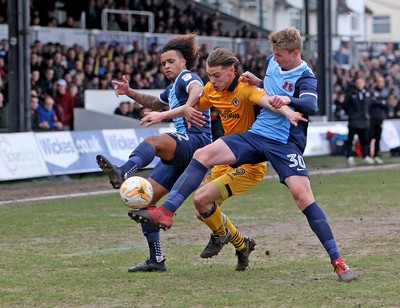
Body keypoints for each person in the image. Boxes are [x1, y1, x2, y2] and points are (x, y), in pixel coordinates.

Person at [130, 27, 357, 282]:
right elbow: (266, 91)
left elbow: (310, 103)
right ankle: (167, 211)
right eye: (273, 53)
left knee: (302, 197)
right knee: (203, 155)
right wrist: (260, 83)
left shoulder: (306, 76)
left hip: (284, 143)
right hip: (256, 135)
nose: (274, 58)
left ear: (295, 53)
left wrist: (287, 102)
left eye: (280, 54)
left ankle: (338, 262)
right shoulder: (271, 62)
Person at [138, 47, 305, 271]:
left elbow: (265, 100)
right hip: (225, 159)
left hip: (249, 165)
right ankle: (241, 244)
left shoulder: (246, 89)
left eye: (216, 75)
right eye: (209, 75)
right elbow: (191, 106)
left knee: (202, 199)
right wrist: (173, 111)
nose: (212, 81)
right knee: (201, 210)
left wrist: (288, 111)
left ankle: (218, 234)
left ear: (231, 72)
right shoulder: (211, 90)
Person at [95, 33, 212, 272]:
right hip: (183, 150)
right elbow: (155, 102)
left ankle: (123, 171)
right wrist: (129, 92)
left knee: (153, 141)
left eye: (170, 61)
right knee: (145, 203)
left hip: (197, 142)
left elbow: (197, 90)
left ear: (183, 63)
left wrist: (185, 108)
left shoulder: (187, 77)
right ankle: (156, 260)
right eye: (163, 63)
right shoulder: (172, 88)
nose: (166, 66)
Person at [343, 76, 374, 166]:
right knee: (350, 139)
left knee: (364, 140)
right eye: (358, 83)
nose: (360, 85)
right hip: (354, 120)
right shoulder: (351, 93)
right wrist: (351, 114)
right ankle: (349, 157)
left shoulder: (367, 93)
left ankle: (366, 156)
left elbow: (370, 105)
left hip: (364, 120)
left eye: (361, 83)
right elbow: (345, 105)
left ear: (364, 83)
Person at [369, 75, 390, 164]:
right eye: (379, 81)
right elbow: (372, 102)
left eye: (382, 81)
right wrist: (381, 102)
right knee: (370, 137)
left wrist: (378, 100)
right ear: (376, 82)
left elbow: (387, 105)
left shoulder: (385, 92)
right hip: (371, 118)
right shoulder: (372, 91)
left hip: (380, 118)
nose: (381, 83)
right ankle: (367, 155)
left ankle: (376, 155)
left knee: (378, 137)